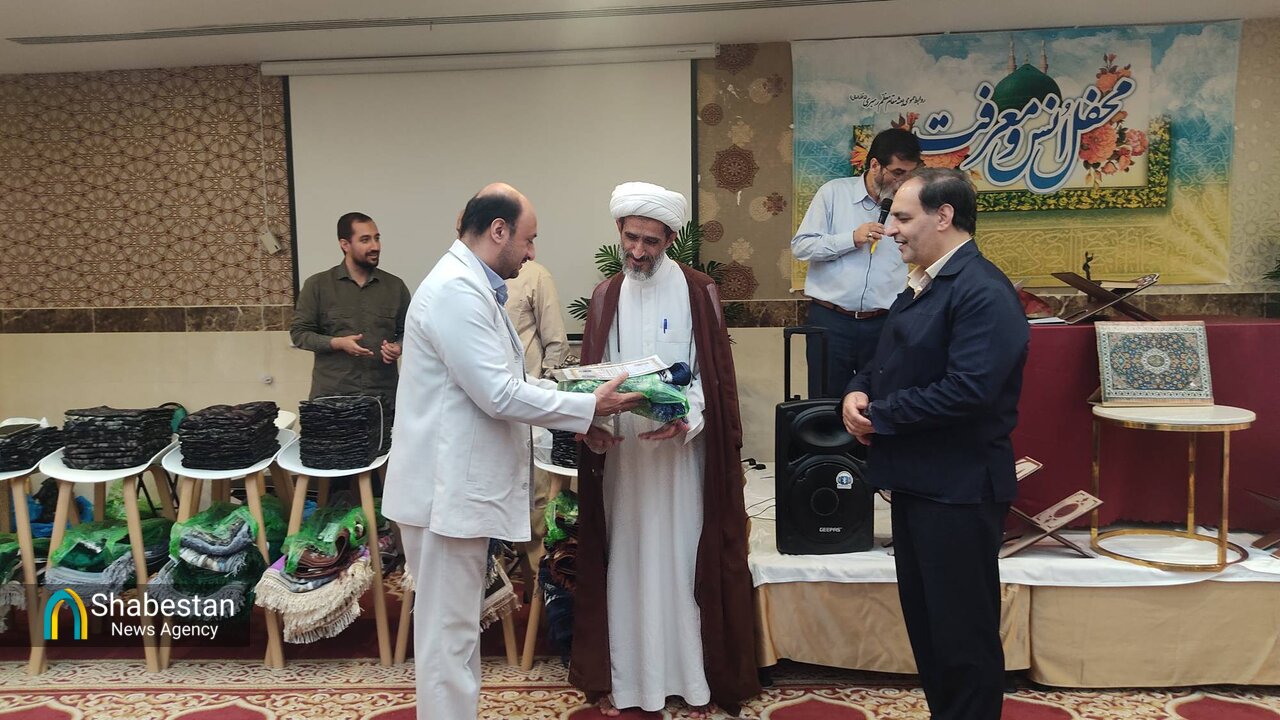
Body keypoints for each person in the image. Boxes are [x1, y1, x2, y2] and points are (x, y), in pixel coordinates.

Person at [381, 183, 643, 720]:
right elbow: (499, 394)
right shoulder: (456, 291)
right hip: (442, 493)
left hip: (453, 490)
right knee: (448, 636)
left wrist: (581, 419)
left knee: (455, 632)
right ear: (498, 230)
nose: (531, 252)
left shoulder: (475, 287)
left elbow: (511, 384)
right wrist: (588, 407)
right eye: (529, 239)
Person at [842, 168, 1029, 720]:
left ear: (943, 216)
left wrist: (880, 417)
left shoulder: (983, 291)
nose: (891, 229)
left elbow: (969, 391)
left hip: (960, 491)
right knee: (930, 630)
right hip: (920, 483)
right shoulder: (924, 283)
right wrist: (858, 391)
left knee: (962, 638)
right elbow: (887, 361)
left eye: (903, 217)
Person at [570, 182, 760, 717]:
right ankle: (629, 681)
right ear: (619, 230)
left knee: (682, 563)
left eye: (650, 242)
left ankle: (691, 680)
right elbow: (594, 377)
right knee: (626, 563)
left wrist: (686, 417)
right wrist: (592, 423)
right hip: (627, 460)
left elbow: (712, 377)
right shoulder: (606, 296)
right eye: (631, 238)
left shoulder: (699, 291)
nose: (637, 252)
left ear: (671, 239)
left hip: (679, 461)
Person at [792, 128, 921, 399]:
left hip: (883, 322)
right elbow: (802, 247)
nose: (902, 182)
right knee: (826, 405)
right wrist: (850, 238)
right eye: (898, 172)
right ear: (875, 165)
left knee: (880, 401)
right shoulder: (833, 193)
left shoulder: (913, 204)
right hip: (831, 321)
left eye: (910, 173)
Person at [290, 212, 411, 424]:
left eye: (377, 238)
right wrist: (337, 343)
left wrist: (399, 347)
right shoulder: (317, 286)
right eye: (365, 240)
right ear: (345, 244)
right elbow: (299, 334)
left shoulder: (395, 287)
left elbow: (409, 333)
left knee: (385, 447)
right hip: (332, 400)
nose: (375, 246)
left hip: (383, 401)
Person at [503, 255, 570, 571]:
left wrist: (542, 400)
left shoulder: (535, 275)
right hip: (487, 412)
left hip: (530, 410)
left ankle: (539, 579)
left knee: (537, 498)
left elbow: (556, 344)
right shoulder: (468, 283)